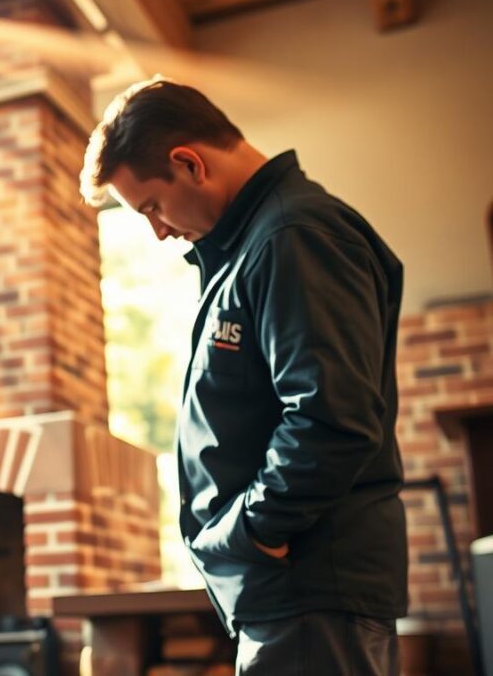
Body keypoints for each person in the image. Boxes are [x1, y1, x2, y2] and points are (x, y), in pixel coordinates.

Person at [80, 78, 406, 674]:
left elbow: (330, 416)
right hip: (291, 593)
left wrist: (255, 531)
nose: (156, 231)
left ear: (189, 163)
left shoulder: (295, 236)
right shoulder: (258, 246)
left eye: (151, 206)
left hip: (309, 586)